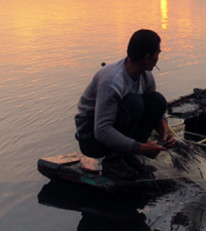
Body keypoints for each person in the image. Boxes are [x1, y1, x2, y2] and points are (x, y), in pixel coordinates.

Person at [75, 29, 176, 179]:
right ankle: (113, 161)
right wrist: (140, 148)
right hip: (92, 140)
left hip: (117, 128)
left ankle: (127, 157)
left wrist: (163, 125)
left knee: (157, 101)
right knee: (134, 103)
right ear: (148, 58)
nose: (158, 57)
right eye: (157, 53)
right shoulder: (112, 81)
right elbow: (101, 130)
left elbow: (154, 108)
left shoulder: (146, 76)